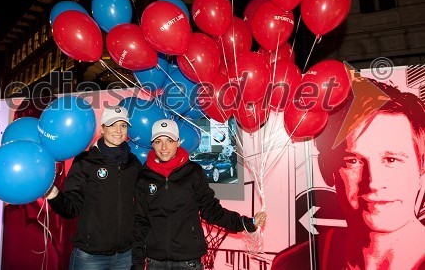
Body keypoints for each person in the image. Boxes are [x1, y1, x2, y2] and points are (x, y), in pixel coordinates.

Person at [271, 77, 425, 270]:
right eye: (353, 161)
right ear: (326, 169)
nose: (373, 182)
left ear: (421, 167)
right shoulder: (294, 264)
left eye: (391, 160)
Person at [131, 118, 267, 269]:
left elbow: (212, 211)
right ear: (152, 145)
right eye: (158, 141)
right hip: (155, 263)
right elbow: (140, 222)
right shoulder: (144, 176)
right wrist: (137, 264)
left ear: (178, 142)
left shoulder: (193, 172)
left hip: (188, 262)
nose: (163, 147)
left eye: (169, 140)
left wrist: (246, 223)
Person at [46, 105, 142, 270]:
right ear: (103, 128)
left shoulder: (133, 163)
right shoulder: (85, 161)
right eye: (113, 124)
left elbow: (141, 206)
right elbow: (71, 208)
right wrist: (53, 194)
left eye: (123, 125)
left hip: (125, 256)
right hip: (90, 257)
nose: (118, 130)